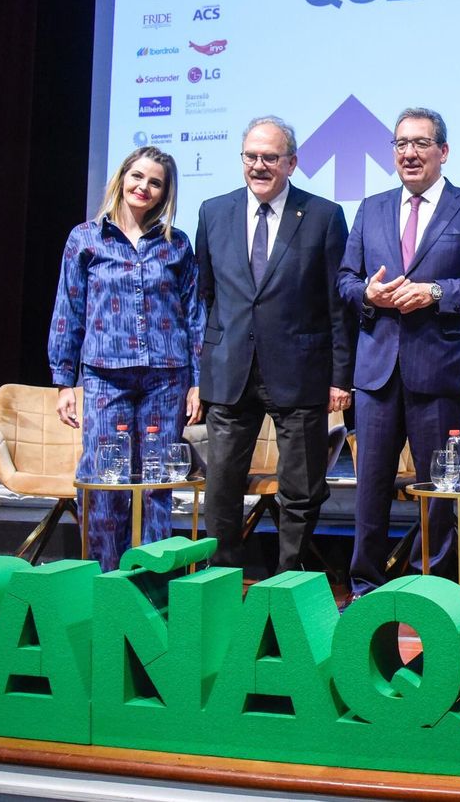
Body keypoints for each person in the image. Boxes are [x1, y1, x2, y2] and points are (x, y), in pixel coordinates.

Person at [338, 107, 460, 603]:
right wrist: (366, 294)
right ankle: (366, 586)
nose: (408, 153)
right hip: (376, 373)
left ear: (443, 151)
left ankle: (432, 592)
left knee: (438, 492)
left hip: (439, 369)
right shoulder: (371, 208)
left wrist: (435, 291)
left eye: (420, 143)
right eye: (400, 144)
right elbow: (345, 279)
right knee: (370, 489)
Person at [195, 116, 354, 575]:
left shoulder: (324, 216)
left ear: (292, 162)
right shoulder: (213, 211)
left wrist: (341, 377)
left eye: (270, 157)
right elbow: (204, 298)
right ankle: (222, 580)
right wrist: (198, 372)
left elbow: (337, 304)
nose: (258, 165)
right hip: (229, 373)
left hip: (300, 373)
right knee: (222, 487)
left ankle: (289, 584)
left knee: (301, 490)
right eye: (251, 156)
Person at [50, 146, 203, 572]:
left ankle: (152, 578)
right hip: (104, 377)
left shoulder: (177, 244)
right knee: (102, 481)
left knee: (157, 480)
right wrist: (64, 381)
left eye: (155, 182)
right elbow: (69, 310)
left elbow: (194, 315)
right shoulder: (85, 238)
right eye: (138, 177)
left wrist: (197, 380)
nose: (144, 187)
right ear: (122, 178)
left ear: (164, 193)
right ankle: (107, 577)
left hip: (166, 378)